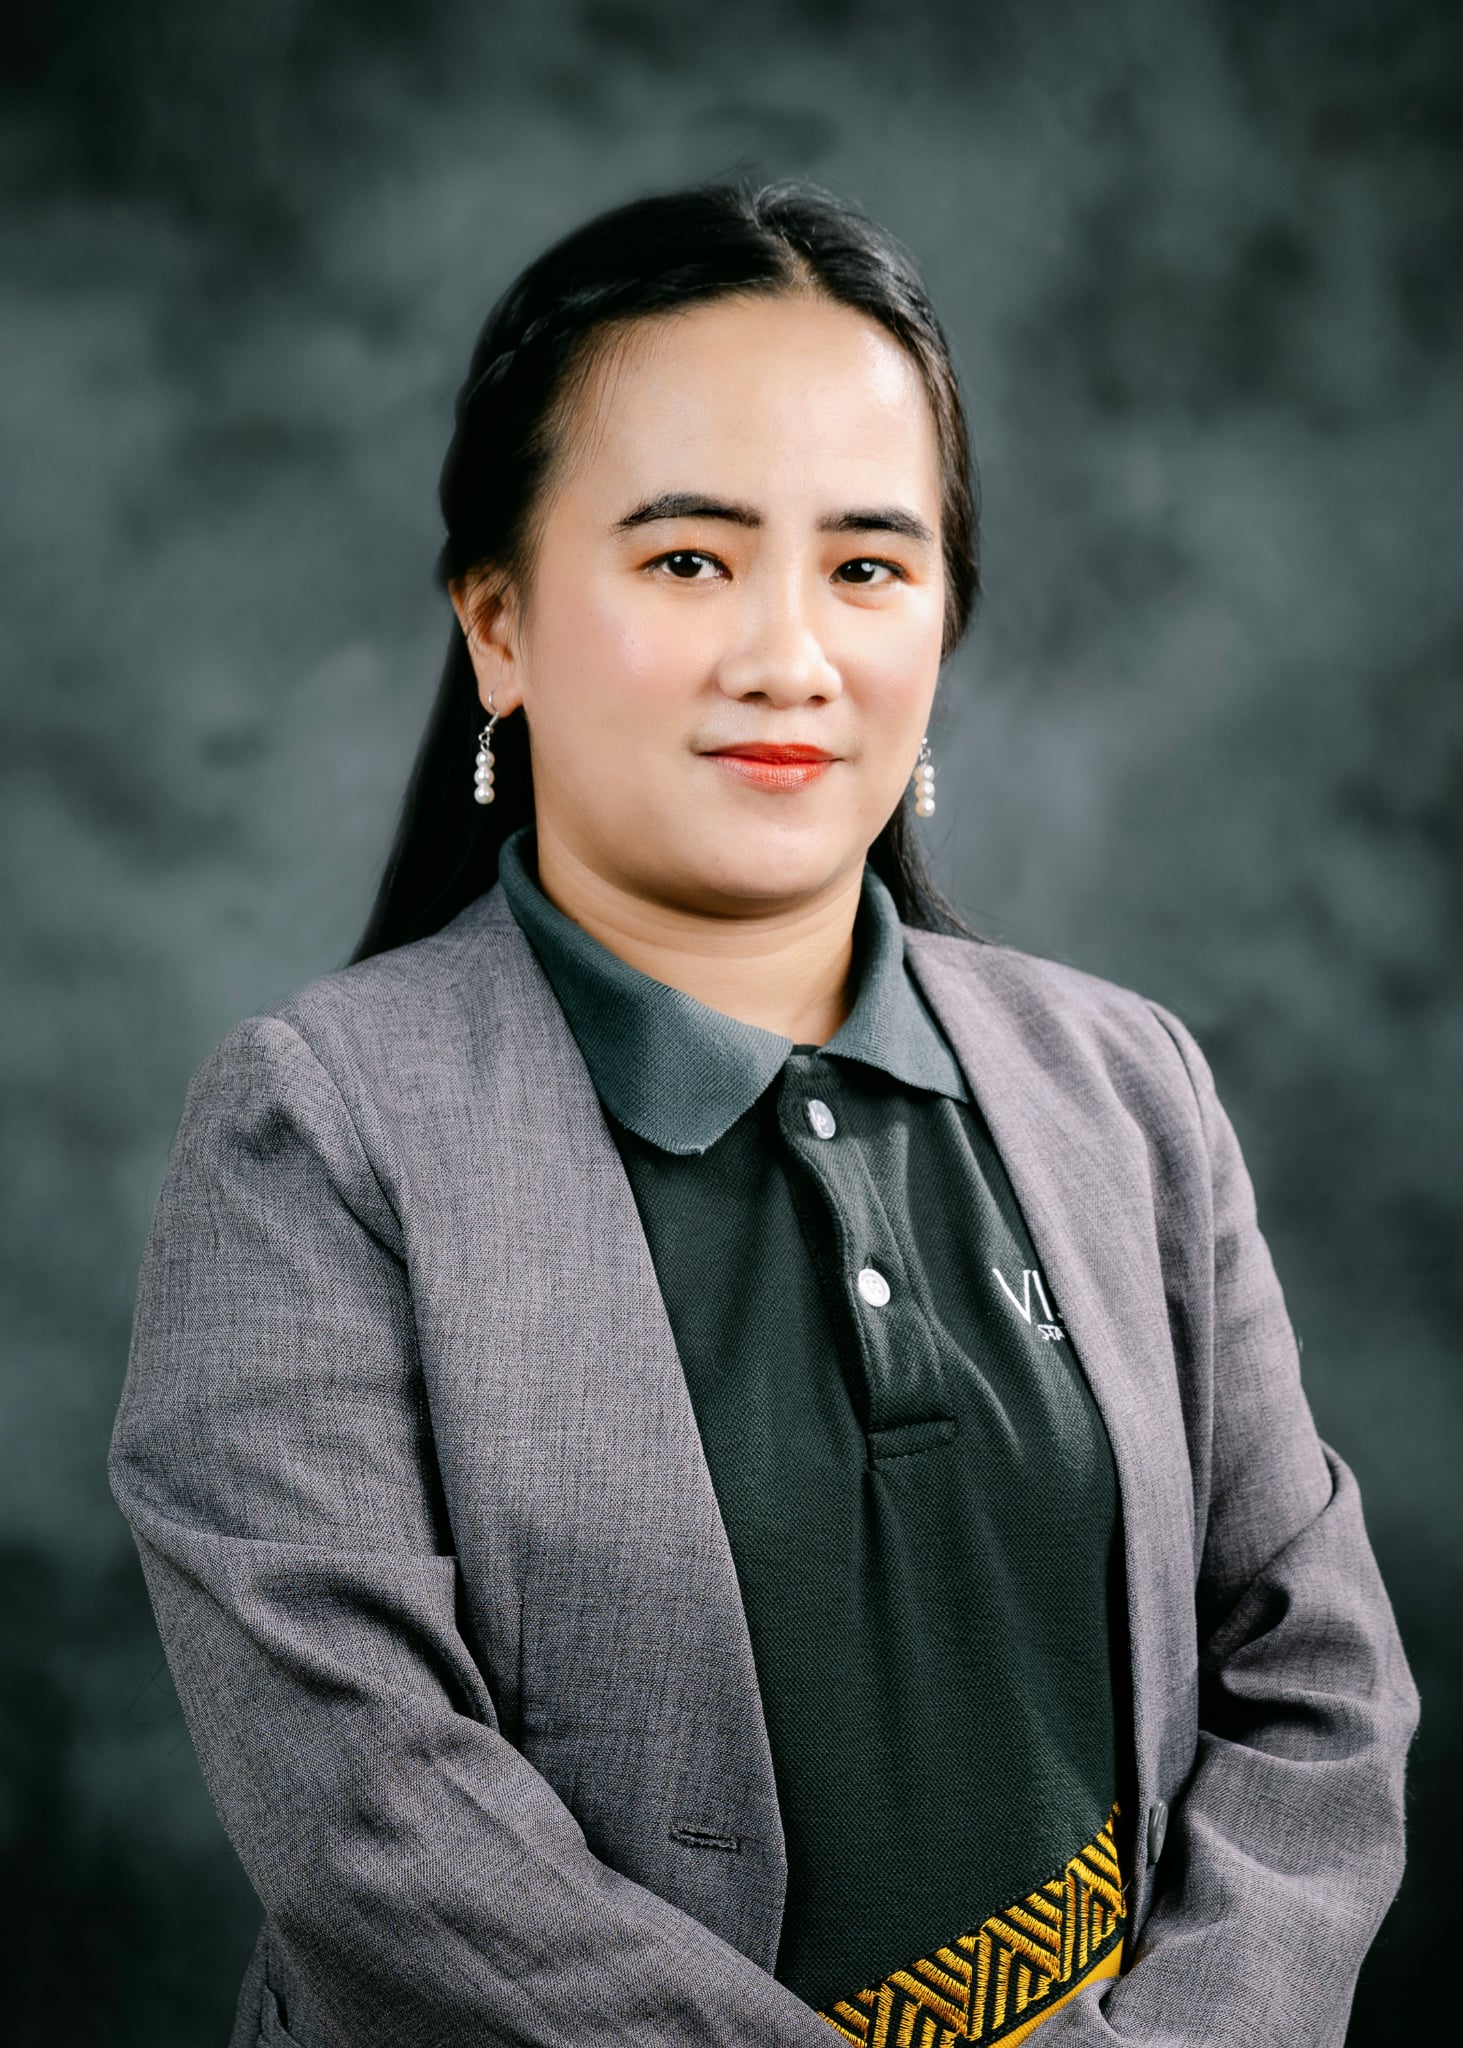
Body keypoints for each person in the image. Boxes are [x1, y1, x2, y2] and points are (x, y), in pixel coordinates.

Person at [108, 179, 1419, 2048]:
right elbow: (374, 1832)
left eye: (867, 568)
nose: (788, 656)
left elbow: (1318, 1686)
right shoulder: (321, 1135)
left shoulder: (1125, 1087)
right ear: (499, 625)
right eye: (686, 561)